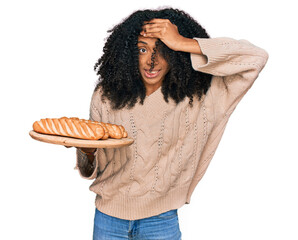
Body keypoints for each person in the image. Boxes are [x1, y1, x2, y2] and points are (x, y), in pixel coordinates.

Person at [74, 7, 268, 240]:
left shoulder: (200, 97)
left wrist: (182, 42)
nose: (151, 62)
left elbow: (255, 58)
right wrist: (86, 151)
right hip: (108, 219)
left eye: (163, 50)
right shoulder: (106, 96)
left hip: (160, 222)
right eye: (142, 50)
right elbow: (97, 168)